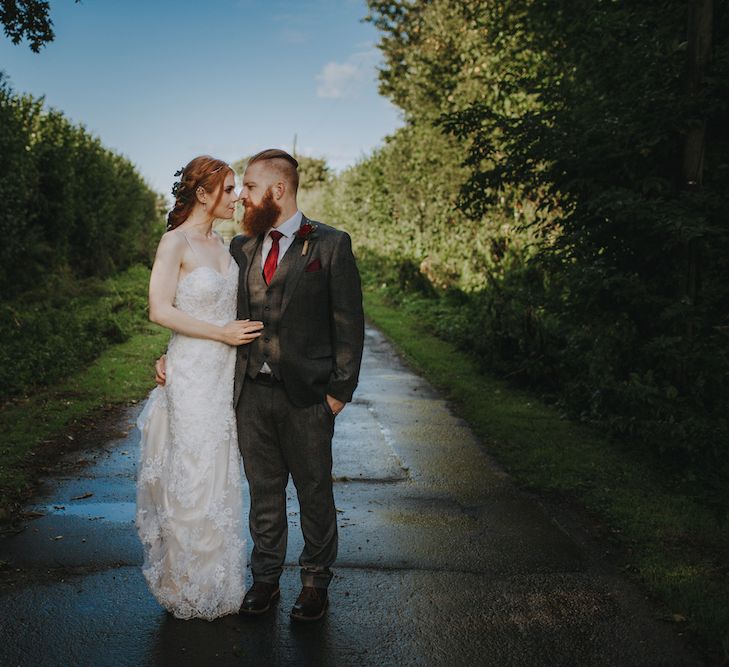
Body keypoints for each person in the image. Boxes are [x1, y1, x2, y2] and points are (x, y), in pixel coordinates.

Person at [156, 148, 365, 622]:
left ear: (278, 190)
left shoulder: (331, 245)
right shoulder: (240, 249)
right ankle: (265, 580)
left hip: (309, 396)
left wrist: (337, 393)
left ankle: (314, 583)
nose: (243, 197)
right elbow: (214, 315)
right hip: (249, 392)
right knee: (264, 493)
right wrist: (173, 350)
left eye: (249, 187)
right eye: (239, 189)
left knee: (314, 491)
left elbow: (349, 324)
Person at [136, 155, 263, 620]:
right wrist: (216, 335)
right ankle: (183, 581)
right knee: (190, 470)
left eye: (237, 189)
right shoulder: (176, 242)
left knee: (219, 473)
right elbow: (159, 309)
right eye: (229, 189)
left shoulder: (227, 245)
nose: (237, 197)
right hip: (192, 371)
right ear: (204, 194)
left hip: (222, 372)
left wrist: (227, 338)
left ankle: (218, 579)